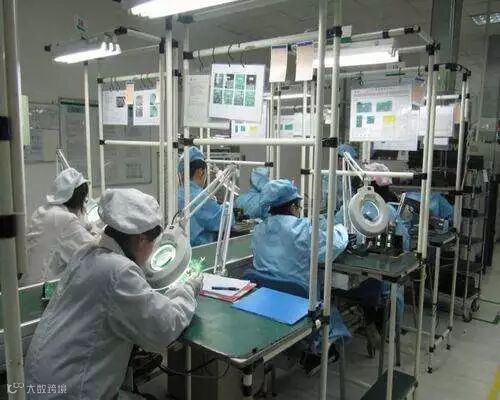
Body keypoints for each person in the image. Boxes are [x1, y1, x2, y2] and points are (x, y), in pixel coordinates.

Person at [25, 188, 202, 400]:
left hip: (40, 382)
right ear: (141, 239)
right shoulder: (119, 272)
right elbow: (165, 327)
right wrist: (188, 289)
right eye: (153, 244)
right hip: (72, 391)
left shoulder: (86, 253)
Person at [250, 179, 350, 375]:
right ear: (293, 207)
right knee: (330, 310)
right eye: (298, 206)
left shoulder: (259, 230)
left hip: (266, 302)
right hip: (299, 306)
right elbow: (335, 244)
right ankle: (320, 349)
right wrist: (341, 228)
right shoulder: (302, 229)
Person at [20, 168, 95, 286]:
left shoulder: (42, 211)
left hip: (24, 285)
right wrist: (95, 231)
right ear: (79, 200)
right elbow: (94, 249)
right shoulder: (65, 219)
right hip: (41, 290)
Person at [178, 147, 231, 246]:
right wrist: (227, 206)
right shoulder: (200, 197)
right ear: (200, 172)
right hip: (201, 250)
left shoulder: (177, 194)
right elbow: (224, 220)